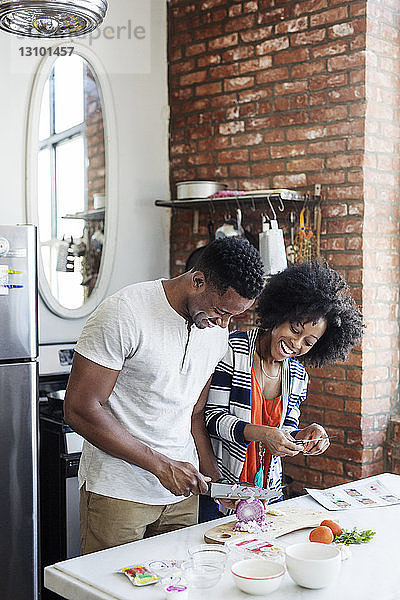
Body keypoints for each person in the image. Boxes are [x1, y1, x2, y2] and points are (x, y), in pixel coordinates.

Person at [63, 237, 265, 553]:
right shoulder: (125, 312)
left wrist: (217, 483)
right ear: (198, 280)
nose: (223, 324)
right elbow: (79, 408)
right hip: (120, 491)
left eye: (232, 317)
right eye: (219, 311)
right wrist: (161, 466)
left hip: (180, 498)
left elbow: (195, 415)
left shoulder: (216, 333)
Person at [200, 259, 363, 519]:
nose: (296, 343)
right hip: (223, 488)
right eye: (294, 329)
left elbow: (284, 429)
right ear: (279, 315)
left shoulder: (298, 375)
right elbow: (211, 419)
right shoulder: (232, 349)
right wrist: (263, 434)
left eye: (308, 342)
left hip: (267, 494)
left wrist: (304, 436)